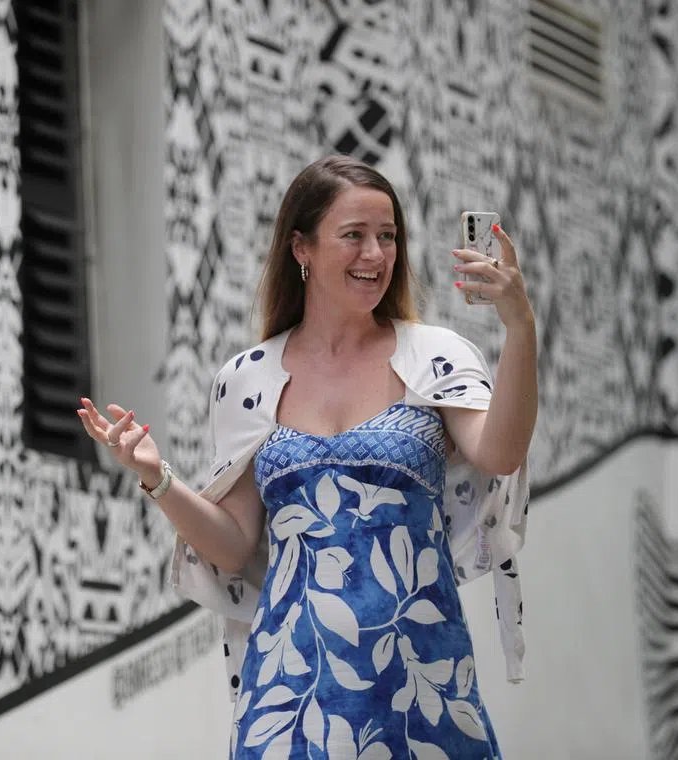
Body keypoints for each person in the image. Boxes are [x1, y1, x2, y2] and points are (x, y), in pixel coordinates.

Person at [77, 155, 537, 759]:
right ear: (302, 248)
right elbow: (236, 545)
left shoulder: (435, 357)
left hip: (423, 680)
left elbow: (500, 453)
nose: (376, 254)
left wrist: (521, 326)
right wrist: (156, 477)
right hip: (290, 685)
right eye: (354, 236)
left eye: (388, 236)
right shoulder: (247, 379)